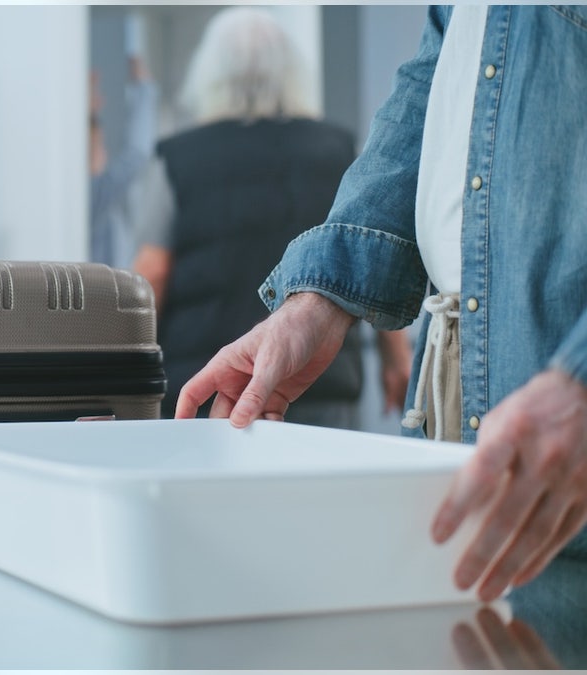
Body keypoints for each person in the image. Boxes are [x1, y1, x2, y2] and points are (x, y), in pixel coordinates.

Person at [176, 5, 587, 603]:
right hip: (433, 380)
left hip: (557, 389)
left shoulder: (175, 158)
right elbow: (432, 93)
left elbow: (152, 267)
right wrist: (315, 301)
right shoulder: (331, 141)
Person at [131, 7, 412, 423]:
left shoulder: (176, 159)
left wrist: (124, 365)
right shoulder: (339, 150)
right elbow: (367, 250)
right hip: (320, 381)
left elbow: (153, 272)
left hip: (211, 387)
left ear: (208, 75)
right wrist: (397, 360)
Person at [89, 55, 157, 269]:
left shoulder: (98, 200)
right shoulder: (92, 194)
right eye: (100, 146)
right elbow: (136, 156)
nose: (105, 153)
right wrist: (144, 90)